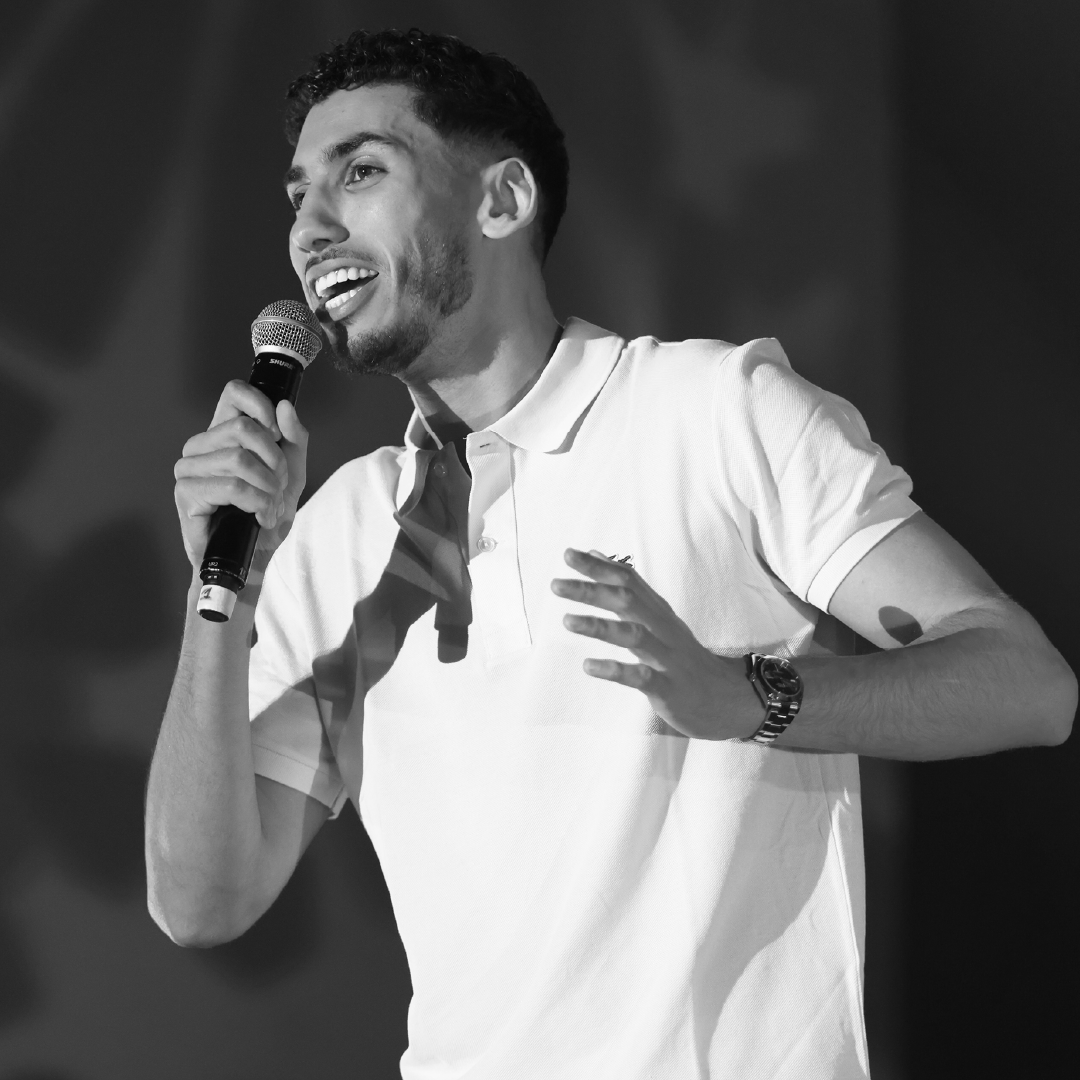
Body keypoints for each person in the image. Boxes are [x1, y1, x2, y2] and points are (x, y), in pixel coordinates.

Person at [144, 27, 1076, 1079]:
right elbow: (201, 901)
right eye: (298, 196)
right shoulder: (338, 531)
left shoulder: (713, 413)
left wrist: (747, 698)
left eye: (360, 173)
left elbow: (1026, 684)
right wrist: (224, 589)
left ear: (504, 200)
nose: (310, 229)